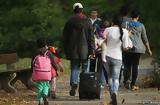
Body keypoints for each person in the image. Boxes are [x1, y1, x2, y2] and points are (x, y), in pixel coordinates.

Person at [63, 2, 95, 96]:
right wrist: (92, 50)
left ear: (74, 10)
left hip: (73, 50)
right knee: (85, 69)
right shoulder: (88, 21)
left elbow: (65, 37)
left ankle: (74, 83)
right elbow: (91, 37)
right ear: (82, 10)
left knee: (74, 67)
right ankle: (84, 88)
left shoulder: (69, 21)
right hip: (85, 50)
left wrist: (66, 49)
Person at [102, 14, 130, 105]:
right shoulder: (125, 31)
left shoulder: (107, 30)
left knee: (110, 77)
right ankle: (115, 93)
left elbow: (103, 41)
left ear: (112, 21)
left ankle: (112, 97)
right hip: (118, 57)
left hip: (108, 56)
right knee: (116, 78)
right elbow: (125, 47)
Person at [123, 9, 152, 90]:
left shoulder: (126, 24)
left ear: (131, 16)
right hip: (138, 49)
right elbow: (145, 39)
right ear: (138, 17)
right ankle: (133, 84)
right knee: (135, 66)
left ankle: (127, 81)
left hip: (128, 48)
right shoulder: (141, 25)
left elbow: (122, 35)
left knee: (127, 65)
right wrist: (148, 49)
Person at [31, 38, 56, 105]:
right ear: (45, 44)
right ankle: (45, 95)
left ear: (37, 45)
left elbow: (32, 64)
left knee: (40, 86)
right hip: (47, 73)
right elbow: (53, 63)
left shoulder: (36, 53)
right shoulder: (48, 53)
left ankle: (40, 101)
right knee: (46, 85)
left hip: (38, 73)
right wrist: (56, 69)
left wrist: (32, 72)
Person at [89, 10, 106, 88]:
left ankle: (100, 82)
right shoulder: (88, 21)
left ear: (97, 14)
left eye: (95, 13)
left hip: (99, 46)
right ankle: (91, 81)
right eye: (92, 13)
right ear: (90, 14)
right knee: (92, 65)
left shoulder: (100, 21)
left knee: (100, 67)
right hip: (93, 46)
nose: (94, 14)